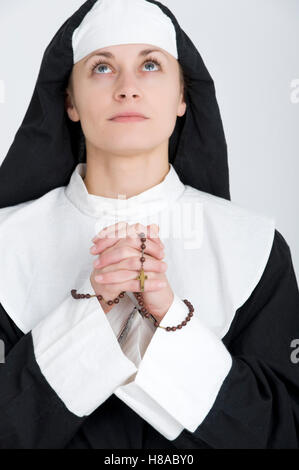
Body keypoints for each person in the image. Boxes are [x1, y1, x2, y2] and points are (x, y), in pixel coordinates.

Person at [0, 0, 298, 449]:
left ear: (182, 97)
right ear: (70, 101)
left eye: (151, 65)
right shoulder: (7, 246)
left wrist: (167, 318)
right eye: (102, 68)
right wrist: (91, 311)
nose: (127, 88)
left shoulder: (253, 247)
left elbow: (284, 431)